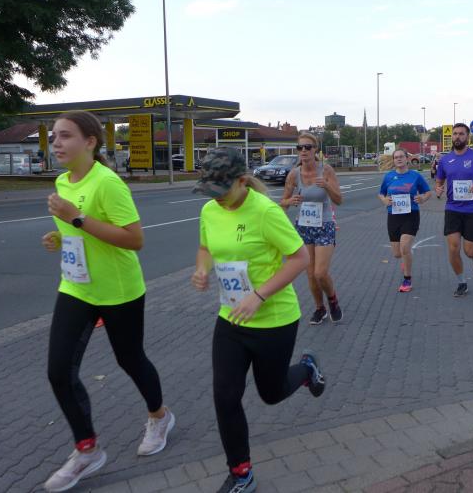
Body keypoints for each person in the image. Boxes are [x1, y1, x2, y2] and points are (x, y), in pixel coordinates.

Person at [41, 111, 173, 492]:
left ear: (90, 142)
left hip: (118, 290)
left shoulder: (108, 183)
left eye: (65, 136)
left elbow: (134, 239)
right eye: (54, 136)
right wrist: (60, 236)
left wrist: (77, 219)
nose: (56, 143)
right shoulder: (62, 182)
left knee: (130, 359)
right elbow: (76, 230)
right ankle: (87, 450)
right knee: (58, 370)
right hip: (76, 287)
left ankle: (160, 417)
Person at [191, 148, 326, 493]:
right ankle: (242, 474)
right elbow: (206, 247)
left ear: (241, 181)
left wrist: (259, 295)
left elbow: (298, 259)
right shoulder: (210, 210)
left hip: (274, 321)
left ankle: (306, 369)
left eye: (221, 190)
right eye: (210, 191)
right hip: (231, 318)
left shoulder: (265, 211)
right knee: (225, 396)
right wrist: (202, 269)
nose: (215, 198)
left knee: (271, 393)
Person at [281, 133, 344, 325]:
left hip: (324, 225)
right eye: (300, 147)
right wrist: (289, 201)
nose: (304, 151)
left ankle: (332, 300)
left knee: (320, 273)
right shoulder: (294, 174)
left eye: (308, 147)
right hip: (304, 227)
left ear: (315, 149)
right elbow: (283, 203)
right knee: (310, 274)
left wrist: (327, 186)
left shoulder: (326, 170)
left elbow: (339, 200)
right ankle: (319, 308)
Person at [435, 123, 473, 297]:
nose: (457, 137)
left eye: (461, 134)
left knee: (468, 251)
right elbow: (439, 181)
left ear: (467, 137)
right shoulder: (445, 160)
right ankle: (461, 282)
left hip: (472, 210)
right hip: (452, 208)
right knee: (453, 248)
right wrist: (438, 188)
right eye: (455, 134)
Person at [378, 148, 432, 292]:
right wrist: (384, 200)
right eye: (396, 157)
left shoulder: (415, 176)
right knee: (397, 253)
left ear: (407, 158)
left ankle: (407, 280)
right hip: (393, 216)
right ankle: (405, 259)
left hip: (411, 215)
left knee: (405, 247)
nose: (399, 159)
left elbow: (428, 192)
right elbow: (381, 193)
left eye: (401, 156)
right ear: (393, 160)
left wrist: (422, 198)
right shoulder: (389, 177)